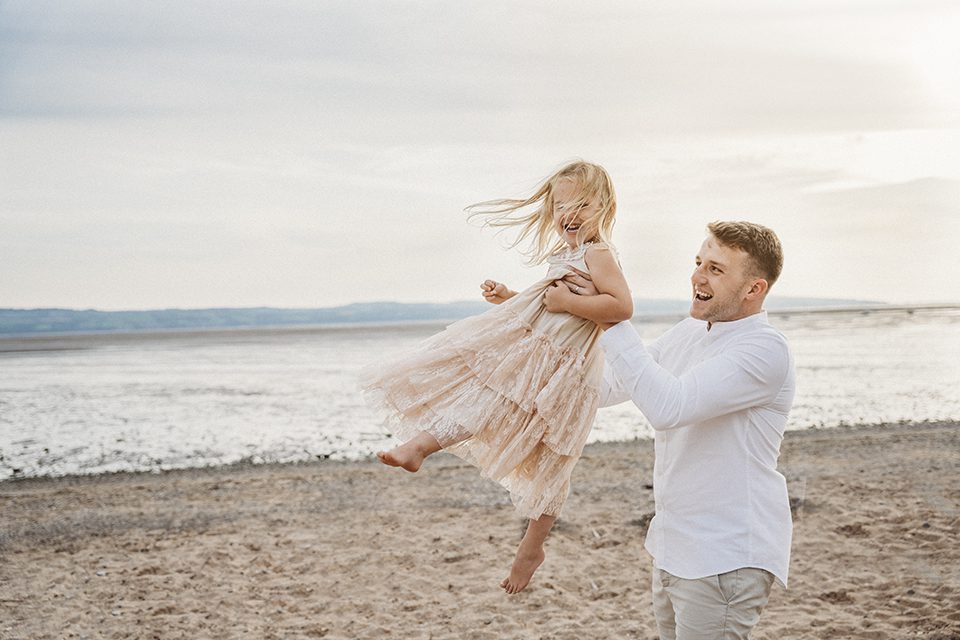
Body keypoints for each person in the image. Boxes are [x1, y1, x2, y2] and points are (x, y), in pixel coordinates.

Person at [361, 160, 633, 595]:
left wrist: (568, 305)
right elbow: (549, 299)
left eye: (582, 204)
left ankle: (531, 548)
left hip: (568, 370)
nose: (570, 213)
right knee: (480, 400)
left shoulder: (598, 253)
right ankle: (419, 446)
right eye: (560, 204)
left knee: (554, 459)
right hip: (536, 360)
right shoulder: (562, 255)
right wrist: (510, 297)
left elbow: (620, 308)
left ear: (604, 206)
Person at [545, 221, 795, 639]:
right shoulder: (691, 331)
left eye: (716, 269)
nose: (697, 275)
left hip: (725, 555)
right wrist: (551, 347)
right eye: (699, 262)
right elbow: (612, 386)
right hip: (673, 546)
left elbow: (668, 407)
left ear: (754, 289)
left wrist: (610, 318)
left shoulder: (764, 349)